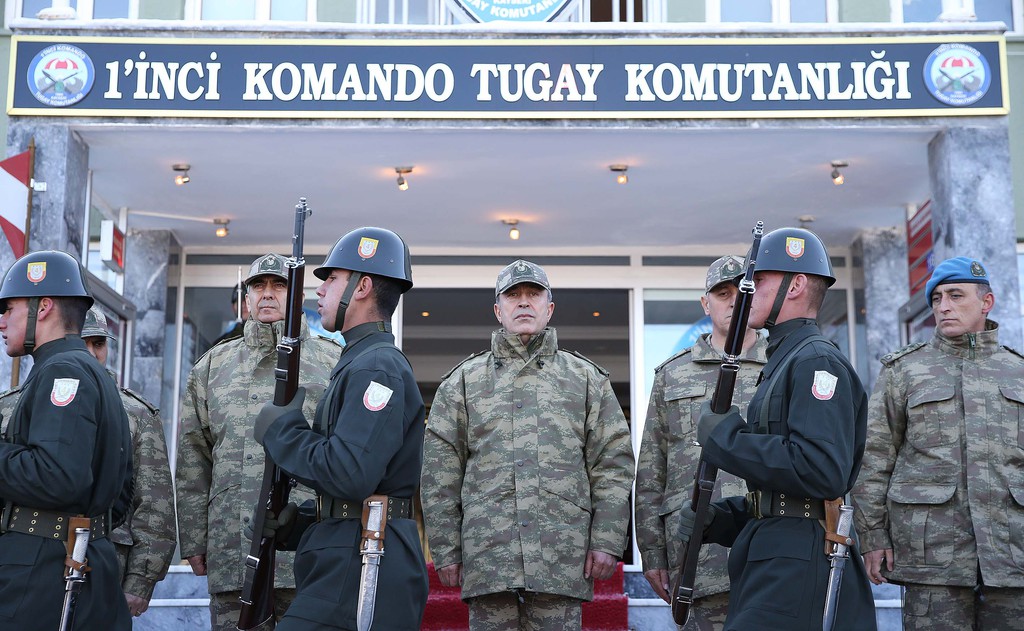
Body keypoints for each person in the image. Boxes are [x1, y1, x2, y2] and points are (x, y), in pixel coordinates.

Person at [420, 258, 635, 631]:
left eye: (533, 294)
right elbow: (440, 473)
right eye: (512, 295)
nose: (523, 302)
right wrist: (446, 549)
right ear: (498, 310)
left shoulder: (585, 379)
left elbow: (612, 463)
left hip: (560, 555)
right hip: (489, 556)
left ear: (549, 308)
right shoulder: (463, 382)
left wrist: (606, 540)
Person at [685, 227, 876, 630]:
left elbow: (821, 469)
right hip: (774, 552)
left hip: (798, 563)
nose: (746, 291)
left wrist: (725, 440)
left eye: (759, 280)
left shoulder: (815, 361)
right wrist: (725, 519)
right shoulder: (785, 360)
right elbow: (787, 490)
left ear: (797, 285)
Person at [253, 227, 428, 629]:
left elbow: (350, 472)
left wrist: (283, 433)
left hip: (365, 560)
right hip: (349, 552)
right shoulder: (360, 360)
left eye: (331, 278)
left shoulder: (376, 366)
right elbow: (365, 482)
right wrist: (303, 523)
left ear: (362, 287)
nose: (320, 289)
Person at [853, 256, 1024, 630]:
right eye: (936, 298)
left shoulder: (1018, 371)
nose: (943, 306)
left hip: (1012, 557)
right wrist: (873, 536)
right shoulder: (904, 371)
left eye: (955, 295)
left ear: (986, 302)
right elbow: (874, 459)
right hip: (932, 558)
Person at [175, 253, 342, 631]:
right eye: (258, 286)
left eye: (279, 285)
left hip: (309, 552)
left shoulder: (333, 362)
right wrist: (195, 540)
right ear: (247, 297)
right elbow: (193, 459)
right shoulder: (212, 366)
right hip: (233, 547)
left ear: (297, 295)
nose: (267, 294)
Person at [0, 305, 177, 620]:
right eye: (84, 343)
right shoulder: (12, 404)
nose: (93, 352)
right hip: (23, 562)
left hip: (104, 562)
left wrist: (141, 579)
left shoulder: (134, 411)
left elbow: (154, 503)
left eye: (100, 343)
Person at [0, 250, 133, 629]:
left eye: (8, 308)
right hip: (76, 560)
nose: (2, 321)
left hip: (42, 574)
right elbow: (119, 493)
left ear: (42, 307)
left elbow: (57, 476)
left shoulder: (63, 372)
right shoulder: (88, 372)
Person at [634, 255, 768, 628]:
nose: (733, 302)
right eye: (722, 294)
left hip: (769, 548)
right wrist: (652, 553)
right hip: (696, 551)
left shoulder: (783, 365)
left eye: (741, 292)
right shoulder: (673, 374)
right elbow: (651, 470)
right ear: (705, 304)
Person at [211, 282, 248, 347]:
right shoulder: (220, 344)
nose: (243, 306)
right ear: (233, 307)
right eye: (239, 302)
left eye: (246, 302)